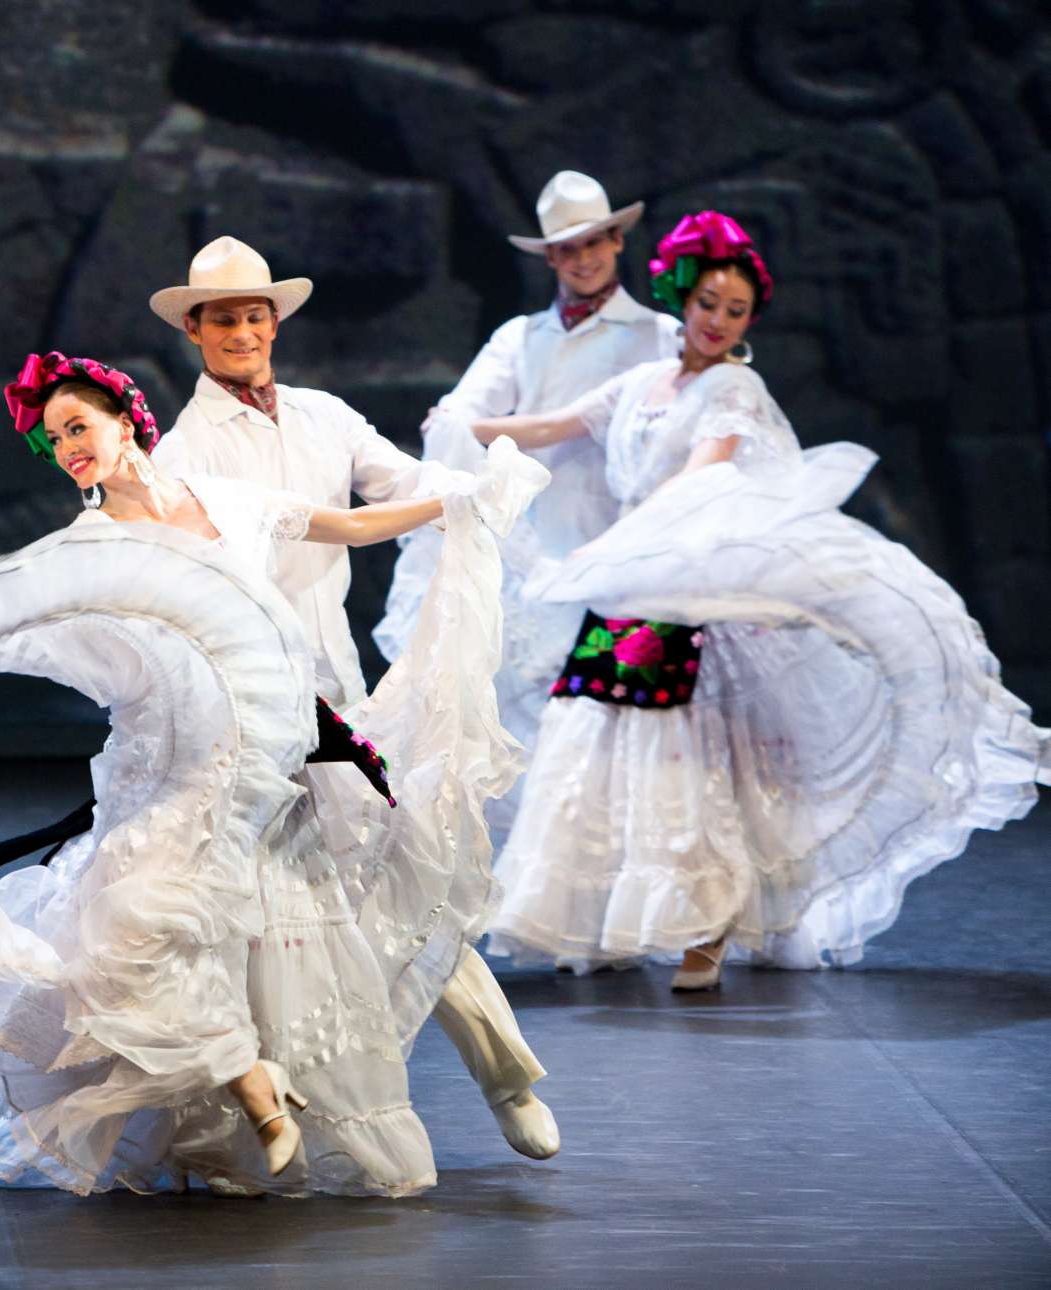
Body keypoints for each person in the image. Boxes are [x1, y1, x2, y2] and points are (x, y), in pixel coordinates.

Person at [0, 352, 549, 1197]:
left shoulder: (227, 501)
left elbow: (355, 525)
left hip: (282, 756)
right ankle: (239, 1115)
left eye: (79, 426)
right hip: (177, 775)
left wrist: (465, 503)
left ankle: (398, 1095)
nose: (69, 446)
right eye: (54, 440)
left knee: (325, 928)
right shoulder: (89, 548)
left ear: (125, 419)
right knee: (164, 935)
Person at [472, 211, 1049, 988]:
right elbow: (556, 424)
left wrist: (624, 542)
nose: (716, 321)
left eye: (735, 311)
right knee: (596, 740)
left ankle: (705, 926)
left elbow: (703, 475)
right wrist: (467, 428)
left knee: (684, 754)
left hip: (685, 586)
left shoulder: (734, 386)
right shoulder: (645, 381)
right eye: (708, 303)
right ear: (683, 297)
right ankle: (607, 915)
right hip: (628, 584)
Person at [148, 237, 561, 1159]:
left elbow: (403, 480)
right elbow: (334, 530)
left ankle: (507, 1077)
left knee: (405, 871)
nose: (244, 331)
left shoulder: (323, 416)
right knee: (270, 920)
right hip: (247, 706)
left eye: (257, 315)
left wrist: (474, 490)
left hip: (336, 695)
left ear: (275, 322)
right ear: (194, 329)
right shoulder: (184, 449)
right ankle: (254, 1118)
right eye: (225, 318)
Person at [374, 170, 680, 841]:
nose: (584, 257)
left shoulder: (661, 335)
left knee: (627, 731)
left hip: (630, 563)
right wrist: (529, 428)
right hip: (541, 565)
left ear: (618, 239)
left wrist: (510, 428)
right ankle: (567, 912)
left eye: (595, 241)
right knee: (549, 735)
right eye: (568, 248)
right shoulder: (521, 337)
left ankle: (622, 908)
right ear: (550, 257)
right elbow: (450, 422)